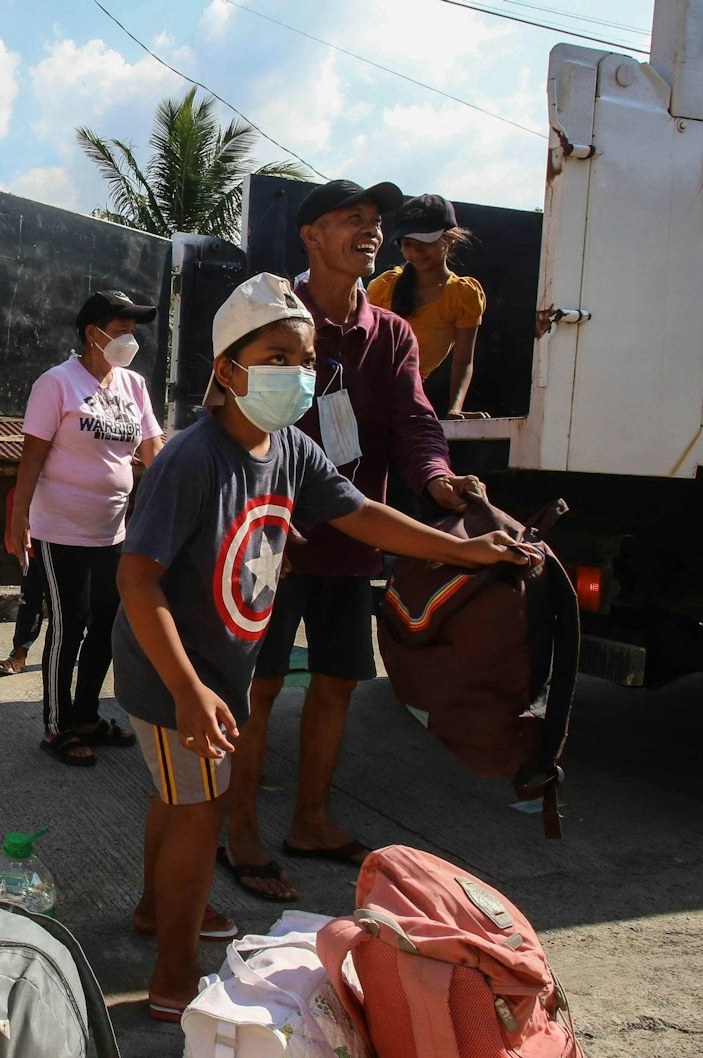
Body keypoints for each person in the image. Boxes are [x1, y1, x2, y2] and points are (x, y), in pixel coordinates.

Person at [114, 272, 530, 1020]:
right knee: (201, 812)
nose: (297, 375)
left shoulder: (290, 450)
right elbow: (137, 580)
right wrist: (186, 689)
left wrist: (463, 551)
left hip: (215, 667)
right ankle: (173, 978)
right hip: (171, 668)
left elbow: (362, 514)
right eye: (277, 357)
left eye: (305, 361)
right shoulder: (193, 459)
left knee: (179, 798)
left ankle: (157, 910)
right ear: (227, 369)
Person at [221, 180, 490, 902]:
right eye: (351, 220)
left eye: (375, 223)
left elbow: (414, 423)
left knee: (337, 681)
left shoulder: (392, 334)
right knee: (260, 687)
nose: (370, 232)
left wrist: (437, 482)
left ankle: (311, 820)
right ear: (311, 235)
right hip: (268, 539)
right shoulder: (273, 314)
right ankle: (238, 830)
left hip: (349, 538)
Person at [9, 289, 166, 766]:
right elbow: (32, 458)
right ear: (91, 333)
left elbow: (152, 452)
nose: (128, 341)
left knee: (106, 626)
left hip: (114, 532)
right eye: (120, 332)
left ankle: (85, 716)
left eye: (132, 333)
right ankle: (55, 726)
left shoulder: (133, 386)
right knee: (68, 625)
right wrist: (18, 521)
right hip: (61, 531)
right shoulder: (56, 384)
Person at [368, 194, 487, 419]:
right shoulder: (385, 286)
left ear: (449, 238)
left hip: (408, 398)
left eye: (426, 243)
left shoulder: (463, 294)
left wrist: (455, 409)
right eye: (408, 245)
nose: (416, 252)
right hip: (366, 391)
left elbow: (463, 361)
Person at [0, 485, 46, 676]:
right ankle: (19, 656)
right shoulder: (19, 492)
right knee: (29, 603)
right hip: (35, 555)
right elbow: (12, 526)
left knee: (75, 610)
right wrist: (17, 548)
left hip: (71, 552)